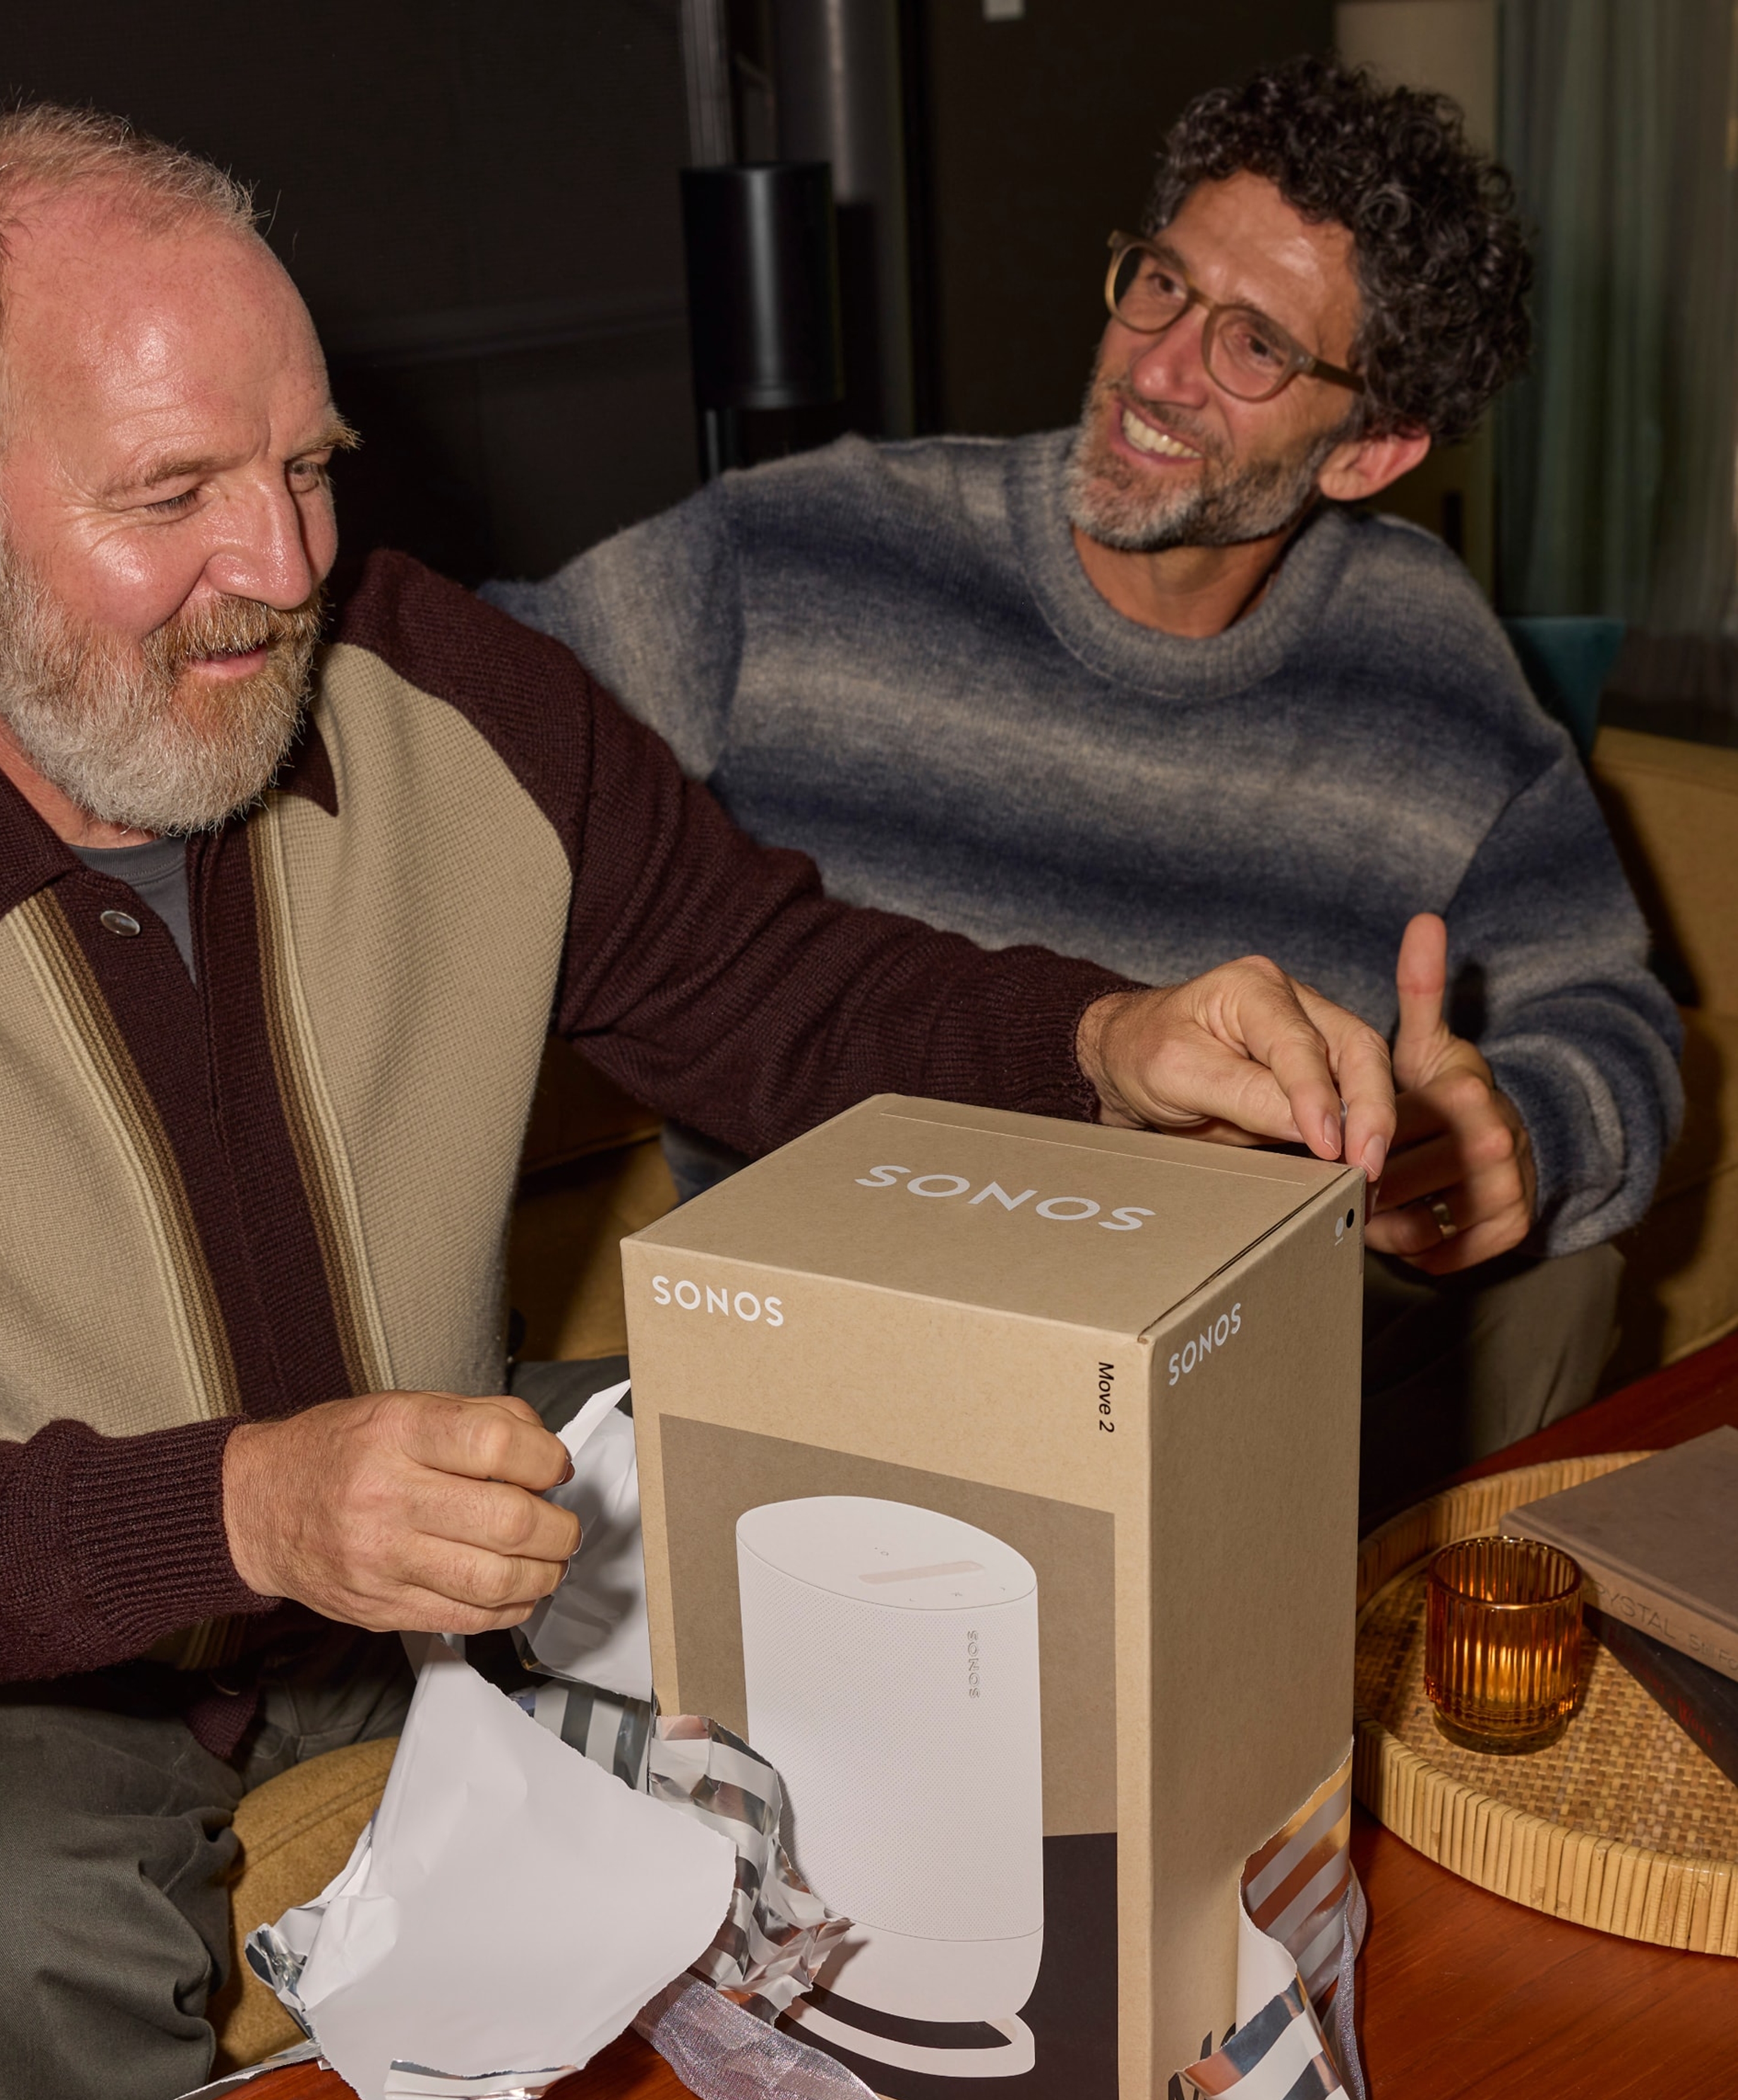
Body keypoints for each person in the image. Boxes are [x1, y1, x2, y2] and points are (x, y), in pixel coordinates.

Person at [0, 106, 1393, 2100]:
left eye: (307, 465)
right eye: (174, 497)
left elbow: (768, 985)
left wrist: (1099, 1043)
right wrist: (238, 1504)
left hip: (433, 1512)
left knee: (944, 1551)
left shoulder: (437, 688)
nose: (291, 561)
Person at [488, 58, 1684, 1519]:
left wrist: (1512, 1142)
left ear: (1370, 447)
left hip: (1217, 1408)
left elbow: (1614, 1015)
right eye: (1161, 286)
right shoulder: (808, 551)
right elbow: (471, 727)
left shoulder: (1428, 659)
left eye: (1253, 346)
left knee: (1571, 1289)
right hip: (836, 1386)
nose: (1161, 368)